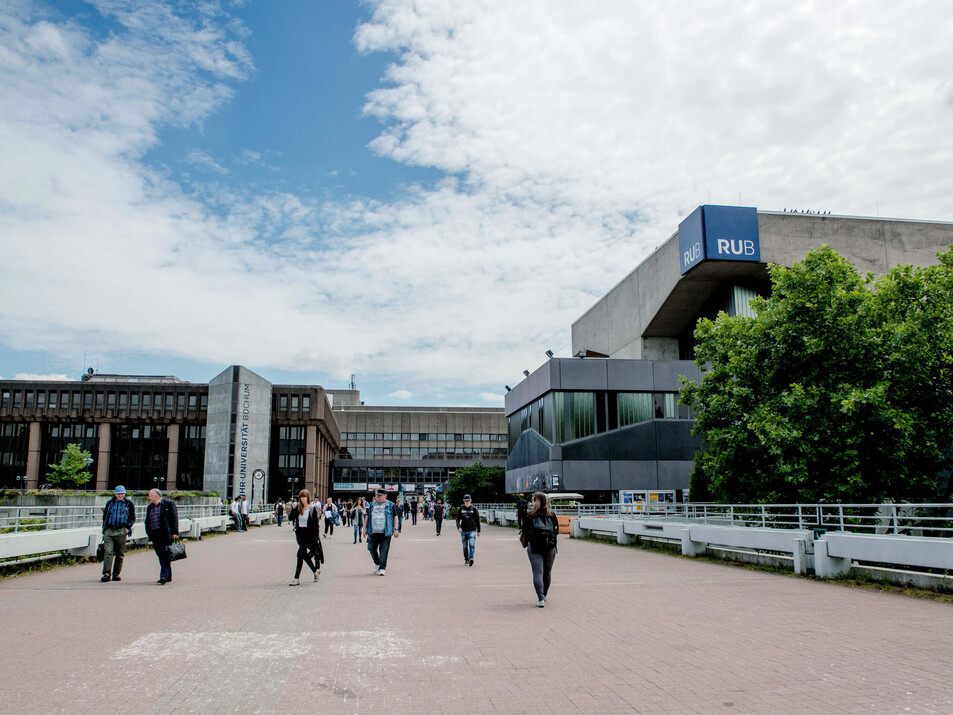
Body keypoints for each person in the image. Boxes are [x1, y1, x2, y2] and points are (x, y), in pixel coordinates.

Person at [520, 491, 560, 607]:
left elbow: (525, 531)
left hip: (534, 547)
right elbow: (556, 531)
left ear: (535, 501)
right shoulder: (551, 515)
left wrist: (527, 543)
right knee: (547, 572)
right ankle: (545, 594)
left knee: (537, 572)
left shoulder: (529, 515)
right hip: (550, 547)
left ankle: (540, 598)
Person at [100, 485, 135, 582]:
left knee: (120, 554)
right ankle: (107, 573)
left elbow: (132, 517)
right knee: (108, 552)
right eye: (118, 493)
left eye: (122, 493)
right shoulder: (110, 503)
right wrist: (104, 531)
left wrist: (128, 528)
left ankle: (116, 574)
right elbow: (105, 517)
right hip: (109, 530)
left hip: (121, 530)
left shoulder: (128, 504)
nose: (120, 495)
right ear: (115, 494)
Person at [289, 489, 323, 585]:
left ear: (307, 498)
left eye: (304, 497)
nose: (302, 499)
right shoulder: (298, 508)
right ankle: (315, 572)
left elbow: (316, 524)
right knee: (302, 555)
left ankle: (296, 578)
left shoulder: (312, 509)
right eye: (301, 497)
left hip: (309, 534)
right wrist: (293, 508)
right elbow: (291, 518)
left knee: (299, 554)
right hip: (300, 534)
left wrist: (316, 537)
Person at [145, 489, 179, 585]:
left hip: (165, 534)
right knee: (161, 555)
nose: (149, 498)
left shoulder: (168, 504)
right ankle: (168, 575)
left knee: (164, 553)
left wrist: (175, 532)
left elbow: (174, 518)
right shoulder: (150, 507)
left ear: (155, 496)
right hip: (155, 535)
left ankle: (163, 575)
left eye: (150, 496)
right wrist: (148, 533)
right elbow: (147, 521)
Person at [364, 489, 400, 575]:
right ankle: (377, 563)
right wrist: (364, 528)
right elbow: (367, 516)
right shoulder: (371, 505)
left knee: (384, 550)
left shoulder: (391, 505)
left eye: (380, 495)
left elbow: (395, 517)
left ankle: (382, 568)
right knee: (371, 548)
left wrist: (396, 529)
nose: (378, 497)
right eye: (377, 495)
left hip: (385, 532)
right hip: (373, 531)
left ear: (385, 495)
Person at [456, 494, 481, 566]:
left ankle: (471, 558)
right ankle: (466, 559)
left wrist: (478, 530)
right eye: (466, 501)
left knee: (471, 544)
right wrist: (459, 527)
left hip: (472, 530)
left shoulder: (474, 509)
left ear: (471, 501)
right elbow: (457, 519)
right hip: (463, 530)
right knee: (465, 546)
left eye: (468, 501)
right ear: (464, 501)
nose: (467, 502)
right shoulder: (461, 509)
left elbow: (477, 520)